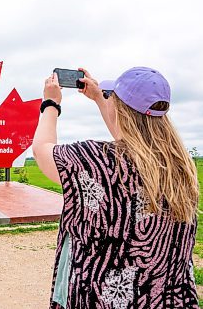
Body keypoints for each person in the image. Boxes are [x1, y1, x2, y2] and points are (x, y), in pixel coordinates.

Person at [32, 67, 199, 308]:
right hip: (167, 299)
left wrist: (50, 103)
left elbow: (42, 149)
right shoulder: (181, 167)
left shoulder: (94, 161)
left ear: (120, 109)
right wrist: (100, 98)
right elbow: (131, 142)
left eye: (112, 97)